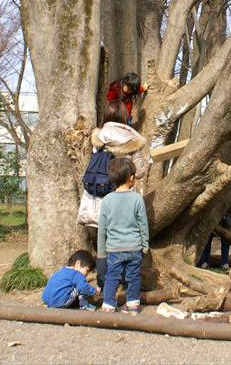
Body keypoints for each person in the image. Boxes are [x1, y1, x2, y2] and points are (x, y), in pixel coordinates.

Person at [88, 101, 148, 285]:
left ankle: (103, 279)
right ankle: (126, 280)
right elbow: (139, 171)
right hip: (124, 197)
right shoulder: (131, 138)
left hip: (99, 194)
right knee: (123, 233)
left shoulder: (99, 137)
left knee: (102, 236)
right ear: (124, 117)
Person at [97, 157, 149, 313]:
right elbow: (143, 225)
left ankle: (108, 305)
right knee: (133, 276)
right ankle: (133, 306)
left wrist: (101, 252)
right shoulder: (137, 199)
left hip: (114, 249)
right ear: (131, 178)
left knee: (112, 276)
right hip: (134, 248)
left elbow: (102, 229)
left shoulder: (106, 201)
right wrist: (145, 245)